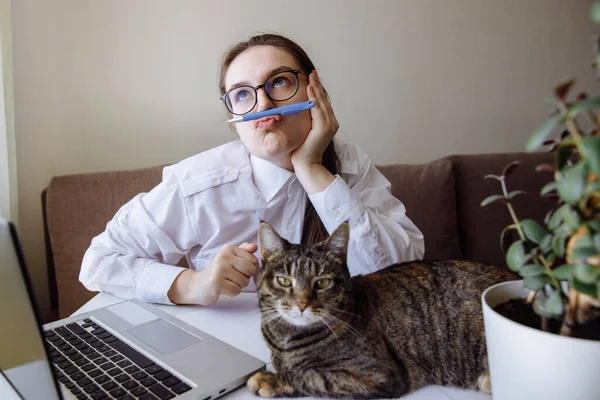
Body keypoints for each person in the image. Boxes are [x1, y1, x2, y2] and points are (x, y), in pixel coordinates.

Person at [79, 33, 424, 306]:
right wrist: (192, 284)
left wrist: (311, 168)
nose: (263, 104)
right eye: (243, 94)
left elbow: (398, 274)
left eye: (278, 83)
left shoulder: (350, 167)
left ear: (314, 92)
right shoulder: (197, 185)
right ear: (234, 118)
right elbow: (99, 261)